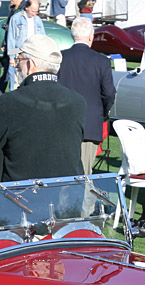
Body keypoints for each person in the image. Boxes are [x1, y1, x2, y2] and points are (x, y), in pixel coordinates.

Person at [0, 34, 85, 182]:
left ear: (30, 64)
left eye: (19, 60)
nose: (16, 65)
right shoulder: (78, 101)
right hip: (66, 194)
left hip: (18, 195)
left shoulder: (9, 102)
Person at [58, 17, 115, 175]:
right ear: (91, 36)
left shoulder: (61, 58)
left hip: (63, 123)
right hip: (89, 123)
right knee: (84, 174)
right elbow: (109, 93)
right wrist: (103, 112)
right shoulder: (101, 61)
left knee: (63, 174)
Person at [6, 0, 43, 89]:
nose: (34, 13)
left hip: (33, 54)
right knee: (15, 82)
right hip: (19, 53)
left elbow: (42, 37)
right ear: (26, 7)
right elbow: (11, 38)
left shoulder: (37, 20)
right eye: (33, 11)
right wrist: (11, 57)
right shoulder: (16, 18)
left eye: (36, 11)